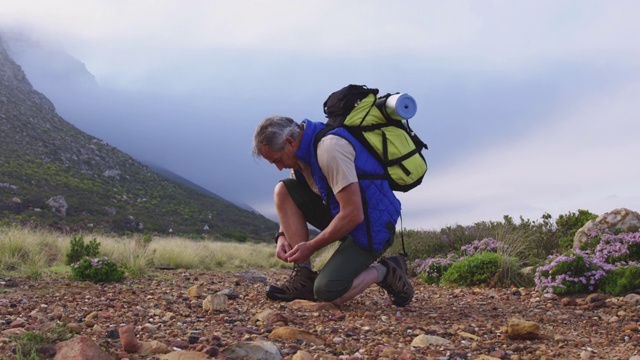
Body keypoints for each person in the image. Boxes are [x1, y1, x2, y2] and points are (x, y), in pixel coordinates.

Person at [252, 115, 414, 307]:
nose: (279, 167)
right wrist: (281, 236)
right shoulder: (301, 160)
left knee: (327, 291)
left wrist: (311, 246)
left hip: (373, 226)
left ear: (289, 142)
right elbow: (292, 201)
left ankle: (387, 270)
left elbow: (354, 214)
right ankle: (303, 278)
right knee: (284, 189)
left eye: (278, 160)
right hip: (343, 216)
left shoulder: (329, 149)